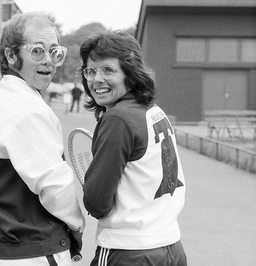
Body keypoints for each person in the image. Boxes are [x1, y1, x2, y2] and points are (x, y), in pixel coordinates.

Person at [0, 12, 85, 266]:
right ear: (11, 55)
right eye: (37, 50)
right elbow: (54, 186)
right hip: (29, 250)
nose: (48, 60)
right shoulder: (27, 108)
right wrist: (77, 224)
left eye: (55, 52)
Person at [79, 30, 187, 266]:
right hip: (171, 249)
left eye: (108, 70)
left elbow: (96, 203)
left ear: (130, 73)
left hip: (130, 251)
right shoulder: (152, 110)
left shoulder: (118, 119)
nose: (97, 79)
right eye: (90, 70)